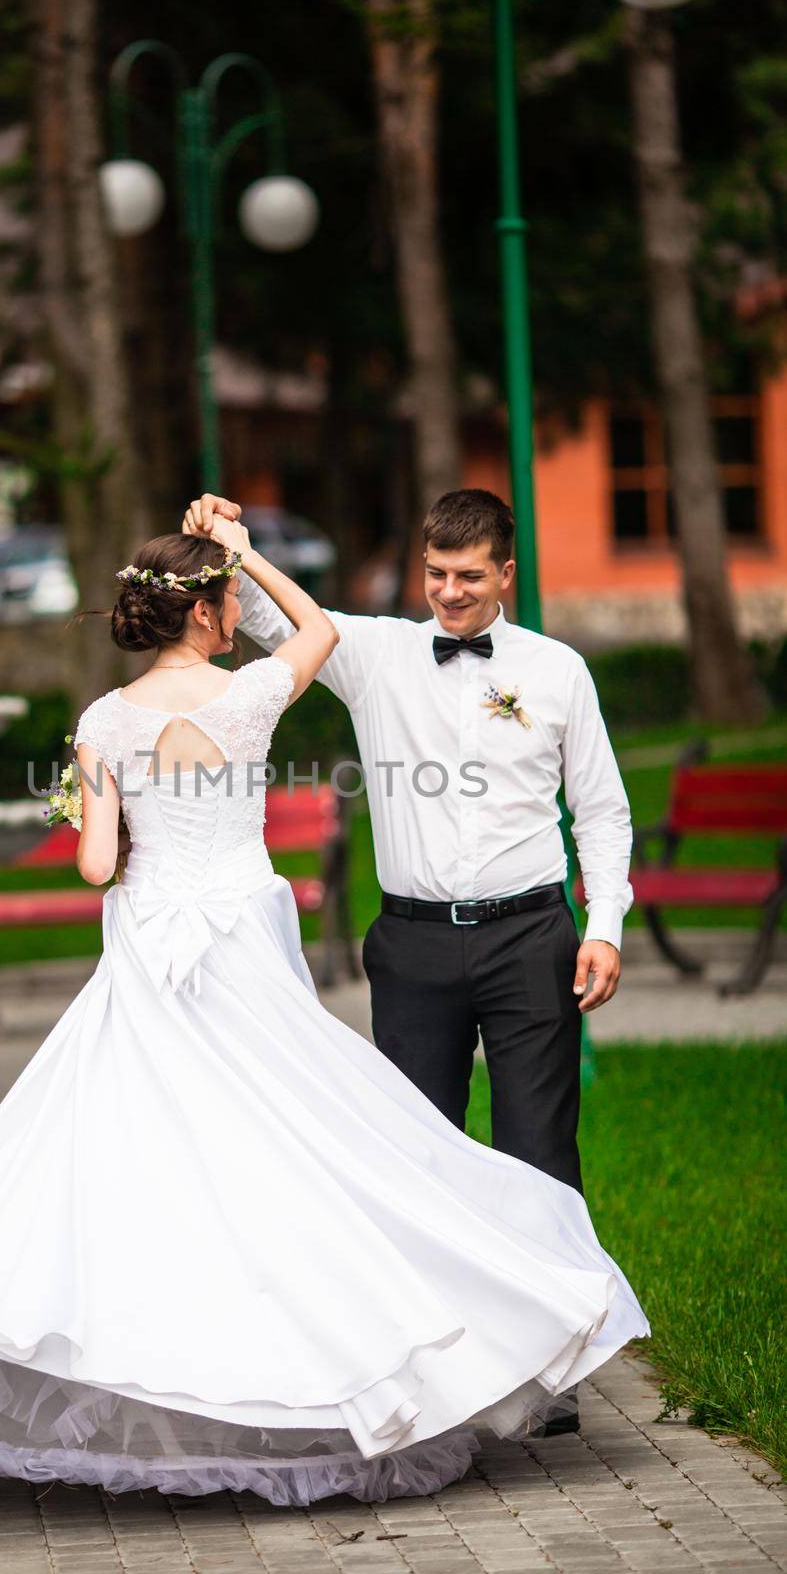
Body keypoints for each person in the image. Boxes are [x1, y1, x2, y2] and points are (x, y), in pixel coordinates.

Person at [0, 522, 648, 1508]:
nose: (234, 617)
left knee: (153, 1162)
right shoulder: (247, 697)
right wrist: (247, 556)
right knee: (289, 1152)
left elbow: (93, 864)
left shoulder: (98, 719)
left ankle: (161, 1370)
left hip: (149, 955)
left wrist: (87, 801)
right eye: (224, 603)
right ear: (206, 609)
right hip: (239, 947)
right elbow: (319, 627)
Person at [183, 487, 636, 1436]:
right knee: (417, 1154)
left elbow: (599, 810)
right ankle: (439, 1366)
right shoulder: (380, 652)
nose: (450, 594)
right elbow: (272, 619)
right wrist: (232, 542)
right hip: (414, 942)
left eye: (469, 577)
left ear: (506, 575)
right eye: (436, 574)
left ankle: (546, 1370)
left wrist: (604, 925)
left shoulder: (557, 672)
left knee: (537, 1151)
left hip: (529, 936)